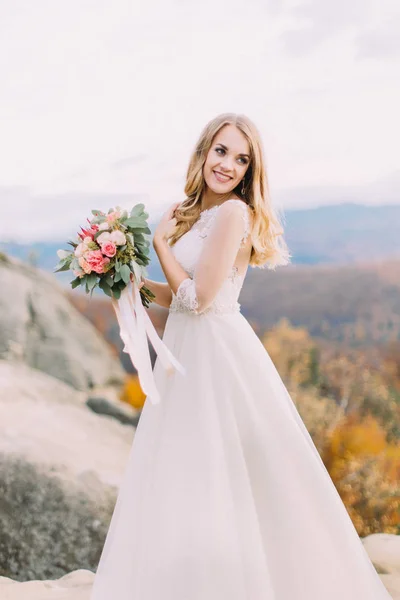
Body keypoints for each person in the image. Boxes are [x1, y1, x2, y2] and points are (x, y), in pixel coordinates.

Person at [89, 113, 393, 599]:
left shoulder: (234, 214)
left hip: (218, 356)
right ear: (204, 152)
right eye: (221, 151)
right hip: (187, 354)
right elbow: (175, 293)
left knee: (234, 471)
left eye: (241, 158)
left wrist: (161, 243)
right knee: (187, 471)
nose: (228, 165)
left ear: (250, 171)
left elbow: (200, 299)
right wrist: (128, 286)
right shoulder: (188, 211)